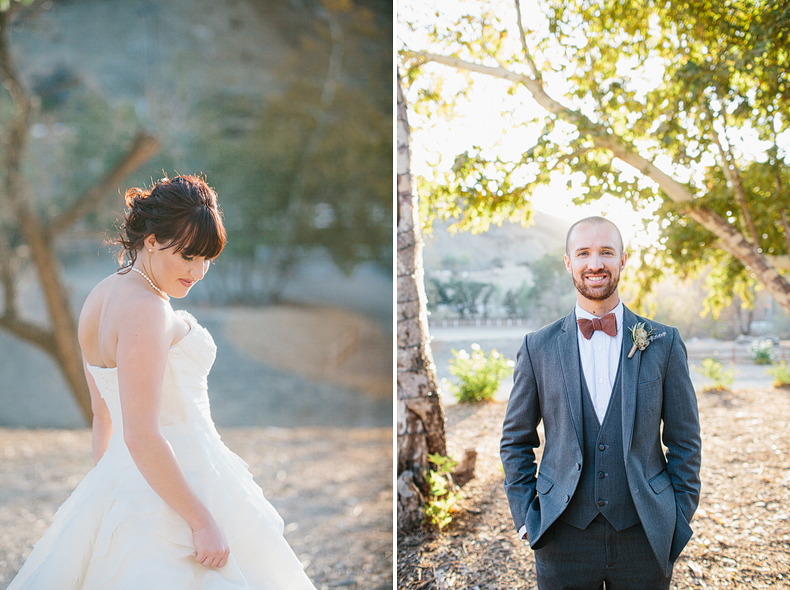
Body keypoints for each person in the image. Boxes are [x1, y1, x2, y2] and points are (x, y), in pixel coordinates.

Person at [8, 175, 316, 589]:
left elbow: (104, 417)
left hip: (138, 477)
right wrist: (201, 520)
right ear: (151, 241)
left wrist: (116, 490)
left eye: (207, 258)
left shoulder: (99, 297)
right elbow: (140, 433)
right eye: (189, 256)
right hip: (182, 482)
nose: (200, 271)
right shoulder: (146, 309)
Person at [500, 216, 701, 589]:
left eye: (606, 252)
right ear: (568, 262)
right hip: (561, 536)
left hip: (645, 533)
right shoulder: (537, 347)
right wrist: (527, 518)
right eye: (584, 253)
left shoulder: (663, 343)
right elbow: (515, 440)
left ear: (623, 260)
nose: (595, 264)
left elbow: (685, 440)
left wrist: (678, 515)